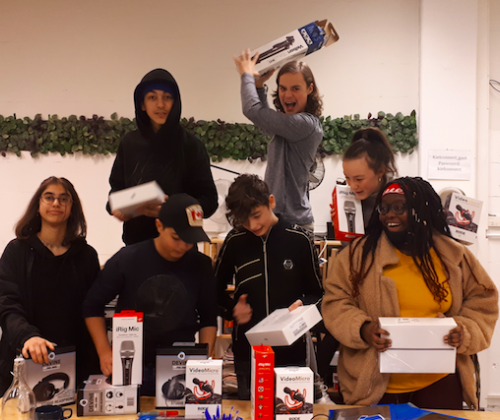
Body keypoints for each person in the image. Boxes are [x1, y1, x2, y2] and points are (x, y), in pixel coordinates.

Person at [322, 177, 498, 409]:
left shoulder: (453, 256)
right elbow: (335, 302)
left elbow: (483, 300)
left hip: (439, 380)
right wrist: (363, 328)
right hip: (374, 385)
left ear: (419, 211)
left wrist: (462, 331)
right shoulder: (357, 257)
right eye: (384, 209)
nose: (389, 215)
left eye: (398, 208)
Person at [84, 194, 217, 395]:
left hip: (181, 364)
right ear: (159, 226)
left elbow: (208, 317)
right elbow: (92, 306)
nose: (183, 246)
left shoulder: (201, 265)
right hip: (131, 364)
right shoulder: (128, 259)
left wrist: (205, 359)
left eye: (190, 241)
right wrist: (104, 353)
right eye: (176, 238)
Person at [215, 174, 323, 400]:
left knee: (294, 413)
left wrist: (304, 305)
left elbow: (318, 294)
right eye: (244, 220)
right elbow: (213, 291)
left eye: (256, 215)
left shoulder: (300, 239)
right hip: (248, 354)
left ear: (270, 202)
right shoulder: (235, 241)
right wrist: (232, 310)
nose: (252, 225)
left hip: (293, 355)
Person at [0, 176, 100, 394]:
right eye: (49, 197)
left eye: (64, 199)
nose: (56, 203)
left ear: (72, 208)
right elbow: (7, 304)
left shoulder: (86, 256)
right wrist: (28, 336)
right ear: (38, 205)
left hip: (76, 365)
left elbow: (93, 309)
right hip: (23, 361)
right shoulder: (16, 251)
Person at [107, 68, 218, 245]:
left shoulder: (191, 146)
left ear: (176, 102)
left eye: (167, 97)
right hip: (137, 246)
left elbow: (210, 202)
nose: (160, 105)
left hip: (181, 245)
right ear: (142, 104)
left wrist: (174, 209)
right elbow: (116, 190)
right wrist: (117, 208)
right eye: (152, 97)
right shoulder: (129, 143)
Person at [233, 50, 323, 231]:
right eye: (283, 88)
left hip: (295, 225)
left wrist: (246, 75)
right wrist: (258, 86)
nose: (287, 95)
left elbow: (252, 110)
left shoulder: (306, 124)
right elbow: (265, 125)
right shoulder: (288, 127)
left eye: (295, 88)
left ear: (310, 89)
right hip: (276, 220)